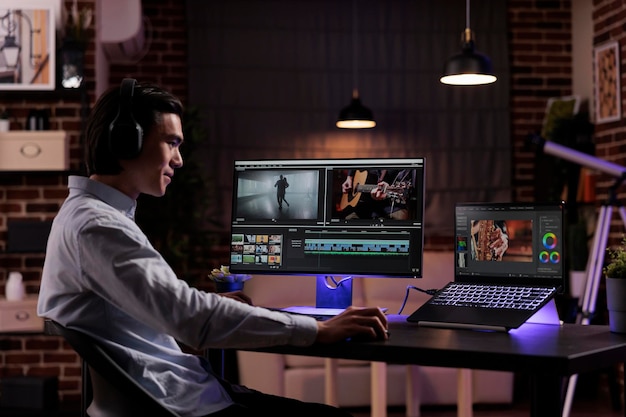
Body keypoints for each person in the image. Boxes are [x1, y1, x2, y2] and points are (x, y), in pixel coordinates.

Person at [37, 80, 388, 417]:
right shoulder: (98, 227)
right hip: (179, 403)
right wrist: (316, 330)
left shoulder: (87, 216)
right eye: (171, 143)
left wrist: (210, 302)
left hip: (177, 393)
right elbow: (189, 318)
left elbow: (156, 304)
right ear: (126, 142)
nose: (179, 160)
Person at [340, 169, 414, 220]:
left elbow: (407, 182)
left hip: (390, 205)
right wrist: (349, 177)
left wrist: (385, 191)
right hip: (362, 206)